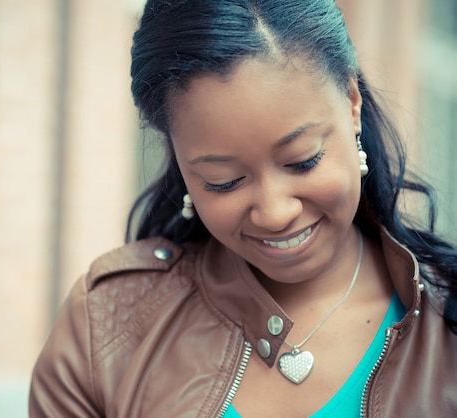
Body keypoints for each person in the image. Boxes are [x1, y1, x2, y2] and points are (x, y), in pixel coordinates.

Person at [29, 0, 457, 416]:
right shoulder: (103, 329)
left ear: (351, 101)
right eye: (224, 181)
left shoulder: (447, 325)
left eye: (303, 159)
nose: (273, 213)